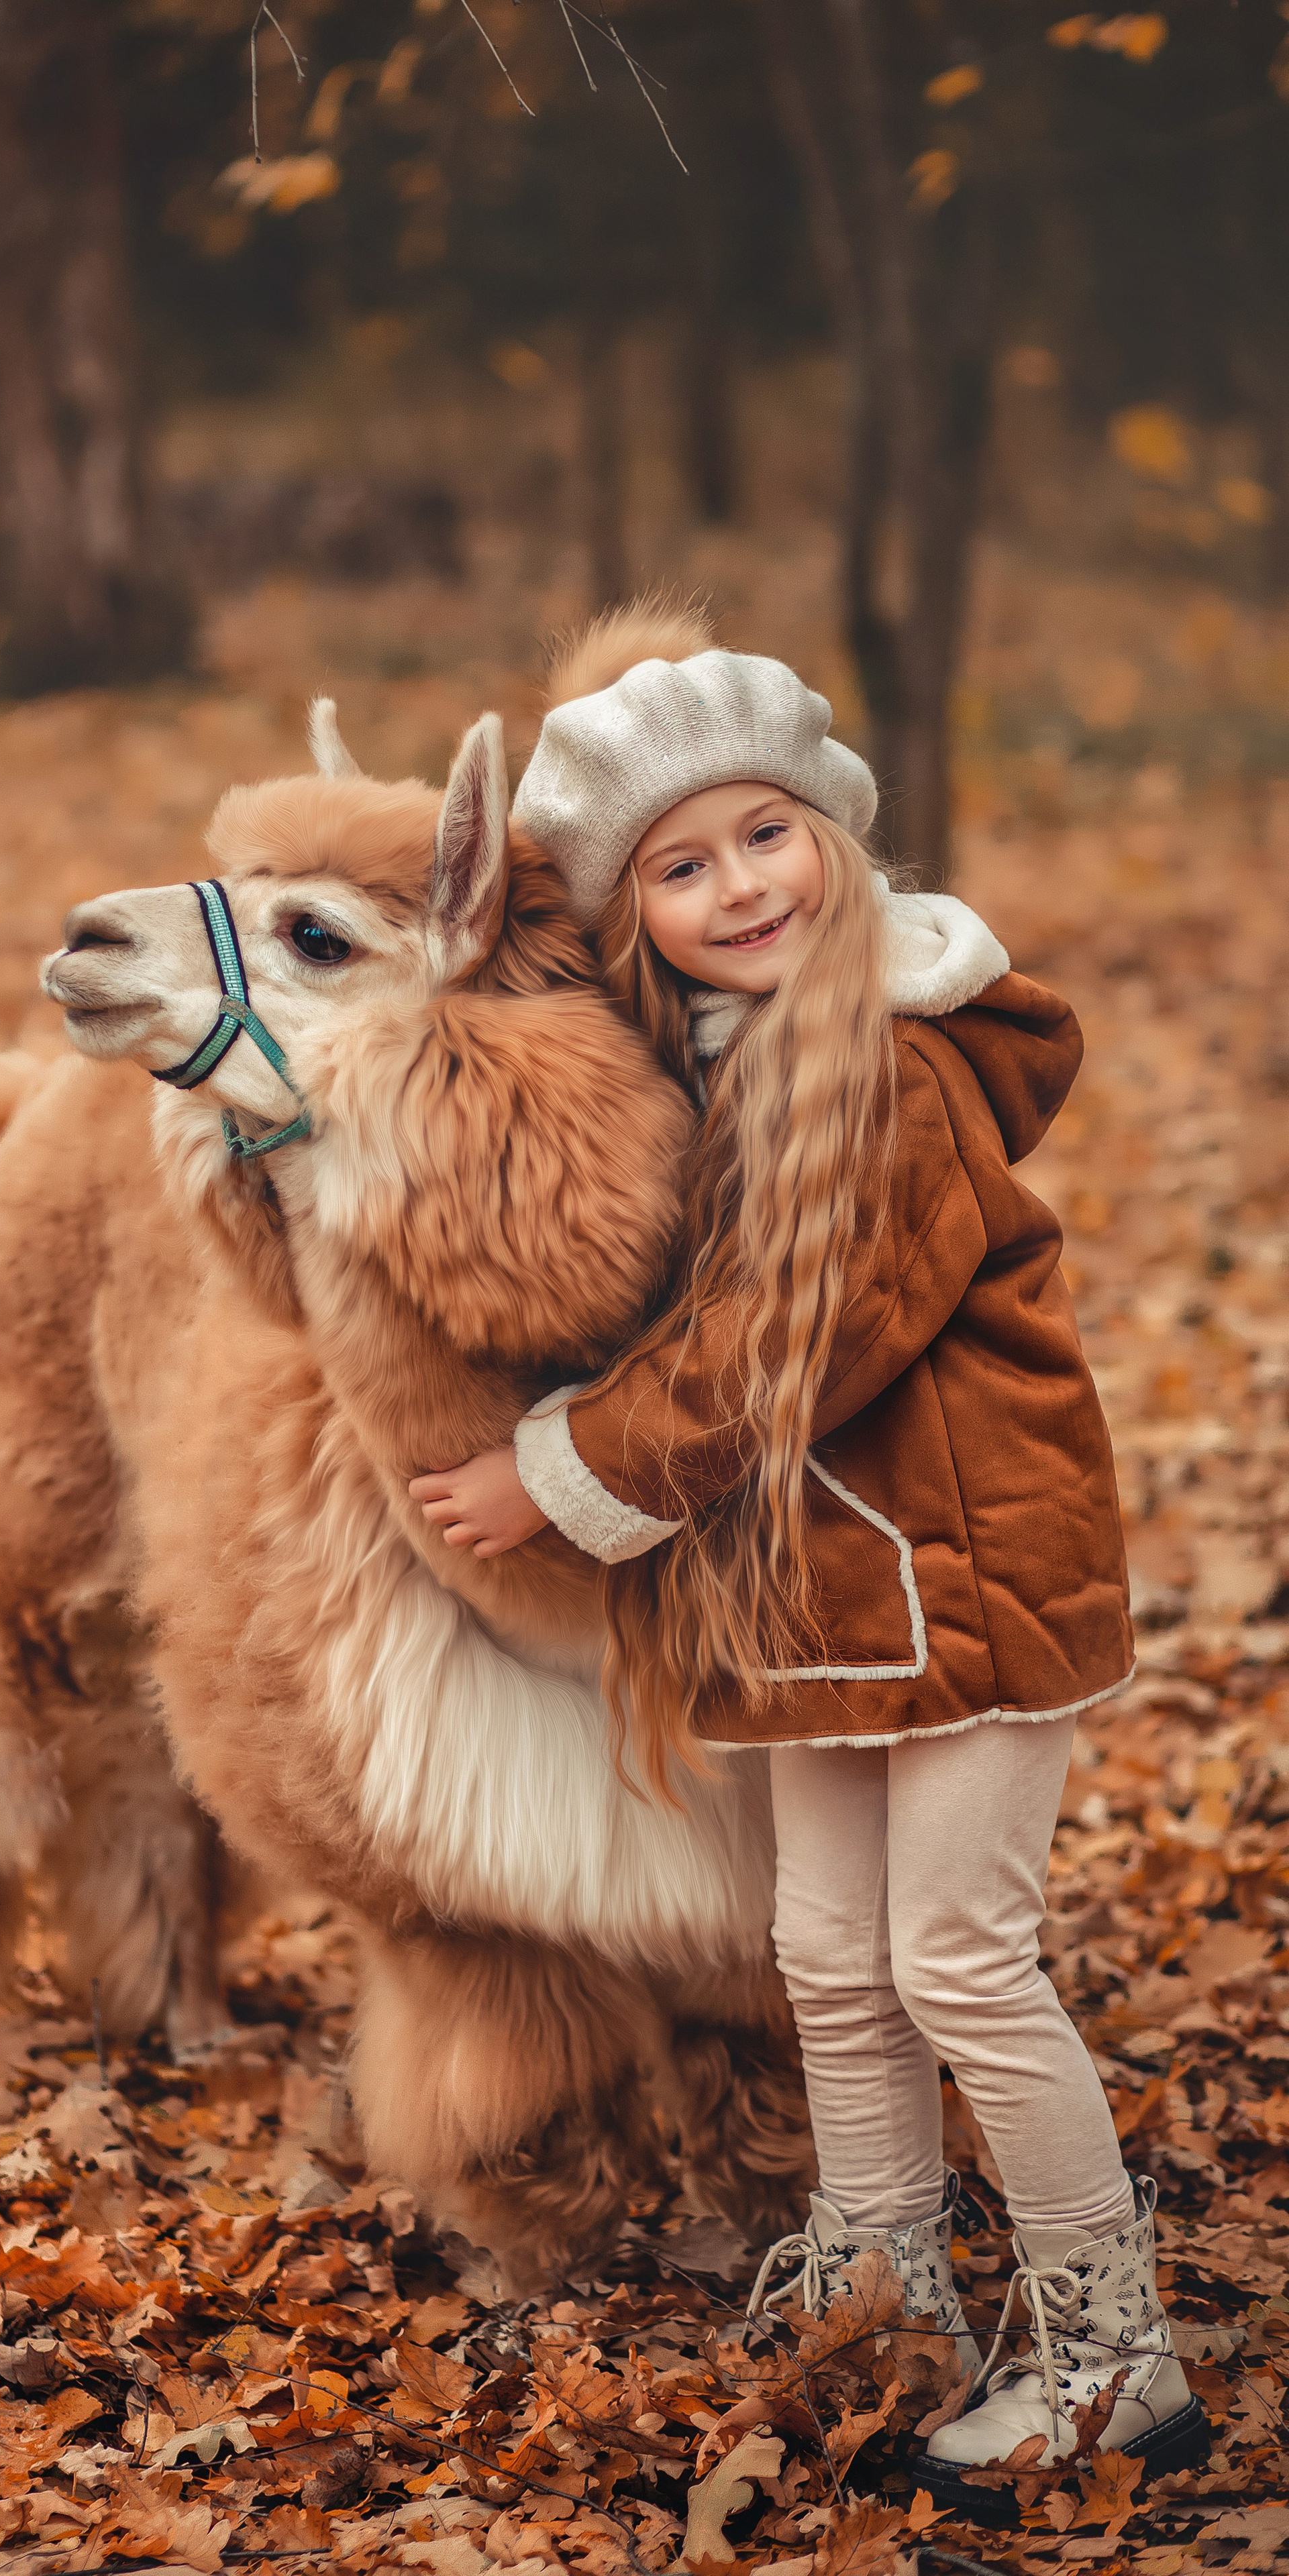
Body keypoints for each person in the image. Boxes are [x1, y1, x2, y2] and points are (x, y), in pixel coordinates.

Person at [407, 610, 1207, 2508]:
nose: (737, 885)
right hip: (824, 1592)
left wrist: (559, 1473)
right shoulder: (706, 1070)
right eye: (680, 868)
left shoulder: (894, 1065)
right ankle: (881, 2279)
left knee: (958, 1957)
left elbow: (798, 1341)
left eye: (764, 835)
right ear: (639, 916)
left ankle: (1118, 2355)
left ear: (837, 835)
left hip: (968, 1573)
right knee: (830, 1957)